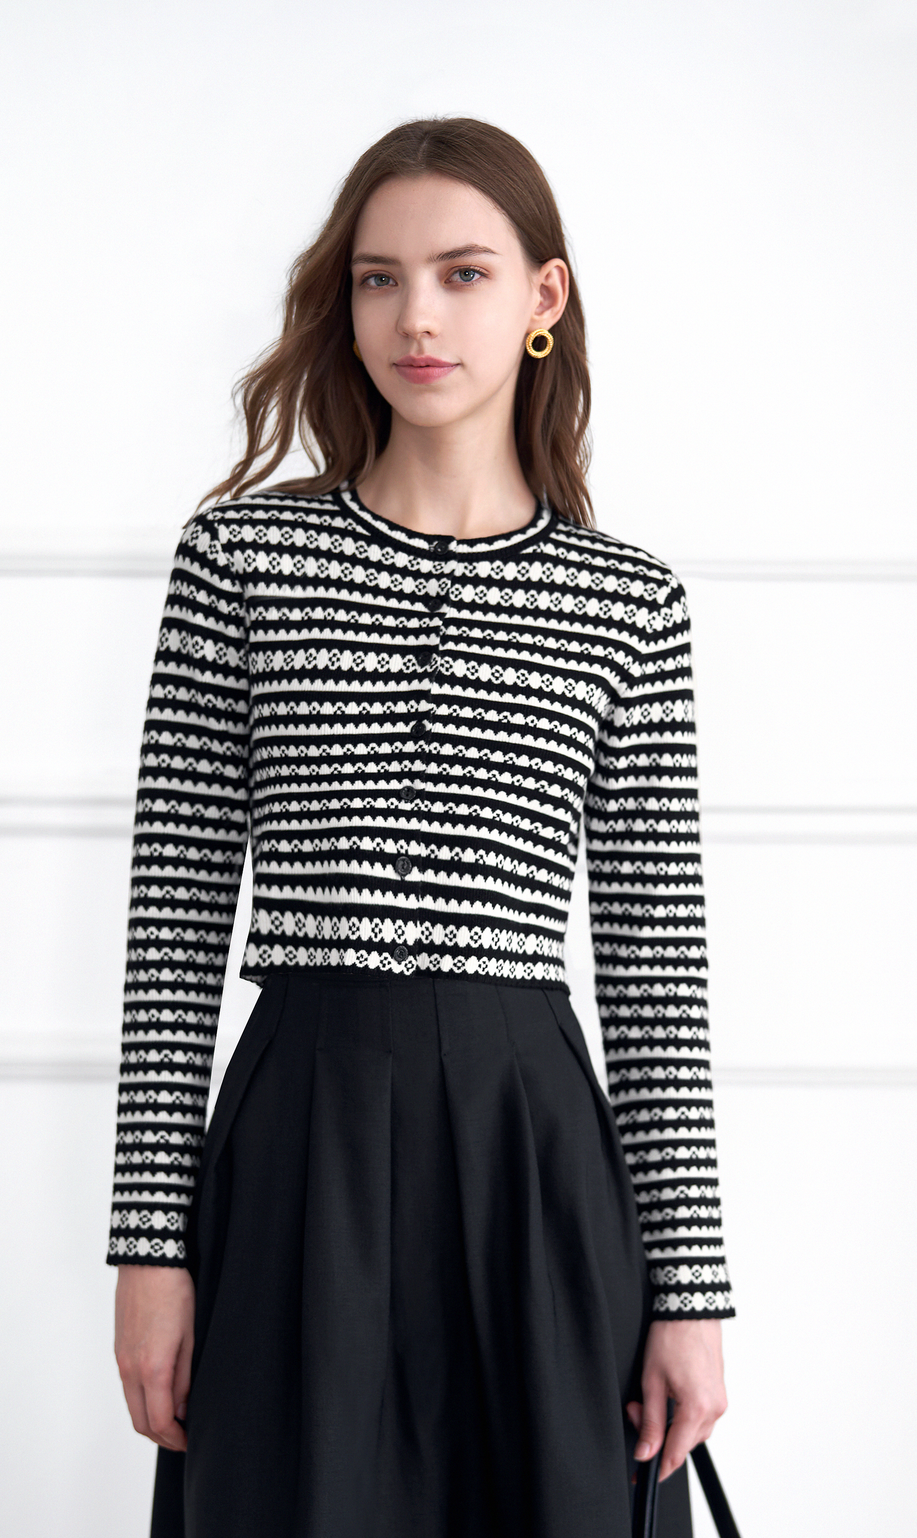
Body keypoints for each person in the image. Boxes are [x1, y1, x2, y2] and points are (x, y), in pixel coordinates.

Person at [108, 116, 734, 1538]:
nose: (417, 318)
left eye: (462, 273)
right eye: (378, 279)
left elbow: (656, 969)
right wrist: (150, 1249)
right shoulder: (240, 560)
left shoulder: (630, 601)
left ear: (544, 297)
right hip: (298, 1150)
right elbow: (171, 929)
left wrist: (691, 1295)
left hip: (533, 1164)